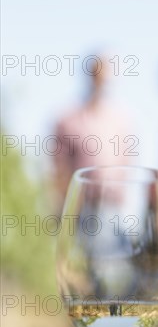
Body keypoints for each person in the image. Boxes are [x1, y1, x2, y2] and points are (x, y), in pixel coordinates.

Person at [53, 56, 132, 213]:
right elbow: (59, 165)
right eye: (97, 74)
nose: (101, 80)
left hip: (112, 205)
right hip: (80, 205)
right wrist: (63, 203)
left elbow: (126, 161)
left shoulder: (120, 119)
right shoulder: (69, 119)